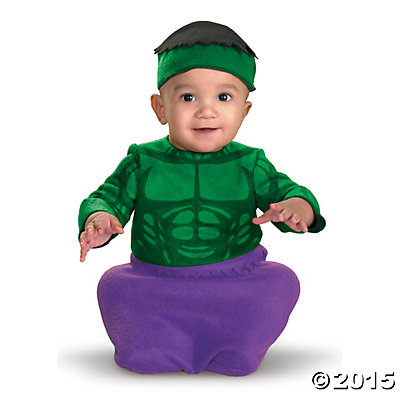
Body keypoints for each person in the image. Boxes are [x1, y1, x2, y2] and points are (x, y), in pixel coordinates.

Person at [78, 21, 326, 376]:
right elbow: (106, 198)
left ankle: (236, 346)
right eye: (188, 97)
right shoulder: (141, 161)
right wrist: (99, 219)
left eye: (224, 98)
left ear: (244, 111)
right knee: (114, 285)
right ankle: (153, 345)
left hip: (236, 280)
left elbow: (291, 192)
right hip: (155, 282)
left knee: (280, 282)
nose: (206, 111)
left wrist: (298, 209)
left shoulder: (251, 163)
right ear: (160, 108)